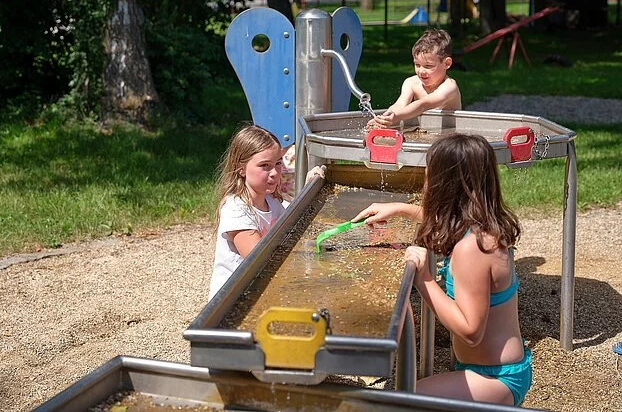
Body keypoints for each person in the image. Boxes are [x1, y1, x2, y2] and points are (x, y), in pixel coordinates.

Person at [352, 133, 531, 406]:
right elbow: (444, 217)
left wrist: (424, 280)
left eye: (428, 174)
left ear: (443, 184)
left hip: (494, 379)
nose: (425, 182)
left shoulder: (473, 250)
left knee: (393, 404)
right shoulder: (482, 224)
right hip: (486, 370)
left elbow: (471, 332)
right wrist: (398, 209)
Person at [209, 125, 324, 300]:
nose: (274, 173)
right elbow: (259, 261)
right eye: (265, 166)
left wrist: (311, 188)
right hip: (231, 300)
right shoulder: (236, 210)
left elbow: (299, 216)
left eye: (278, 163)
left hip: (259, 291)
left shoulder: (272, 202)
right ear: (241, 169)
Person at [368, 29, 461, 129]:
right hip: (425, 132)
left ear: (447, 63)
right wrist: (384, 119)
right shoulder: (411, 83)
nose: (421, 71)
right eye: (417, 65)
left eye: (428, 66)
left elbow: (424, 104)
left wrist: (396, 117)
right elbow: (400, 104)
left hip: (450, 137)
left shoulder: (449, 87)